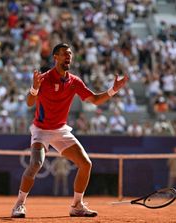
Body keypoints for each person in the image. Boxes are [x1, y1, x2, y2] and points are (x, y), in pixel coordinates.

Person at [11, 43, 129, 218]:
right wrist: (34, 88)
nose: (68, 56)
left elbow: (95, 100)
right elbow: (29, 102)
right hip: (41, 130)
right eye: (64, 54)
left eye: (70, 54)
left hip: (60, 130)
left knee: (86, 164)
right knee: (36, 164)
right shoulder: (43, 79)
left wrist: (113, 90)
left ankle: (77, 205)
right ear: (55, 57)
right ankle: (19, 205)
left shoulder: (74, 81)